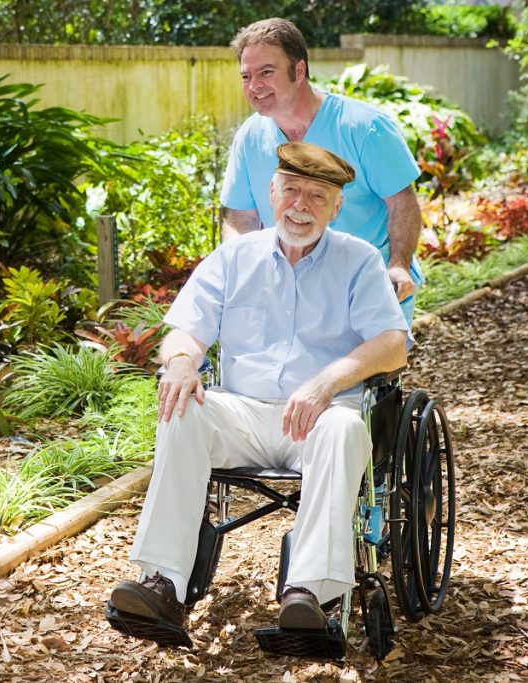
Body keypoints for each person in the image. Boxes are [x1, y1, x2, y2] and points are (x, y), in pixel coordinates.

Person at [107, 142, 411, 637]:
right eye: (291, 190)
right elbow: (184, 331)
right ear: (271, 192)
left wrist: (328, 380)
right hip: (243, 416)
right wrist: (182, 362)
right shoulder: (233, 258)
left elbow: (393, 344)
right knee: (182, 409)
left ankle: (308, 594)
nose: (300, 205)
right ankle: (161, 582)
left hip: (320, 416)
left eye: (317, 196)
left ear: (337, 207)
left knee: (343, 426)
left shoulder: (358, 262)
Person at [219, 17, 423, 321]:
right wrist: (243, 268)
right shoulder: (249, 138)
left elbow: (402, 203)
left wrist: (398, 265)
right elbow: (239, 217)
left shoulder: (365, 127)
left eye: (266, 72)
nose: (254, 86)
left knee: (361, 371)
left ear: (299, 71)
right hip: (291, 302)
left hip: (369, 295)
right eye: (246, 76)